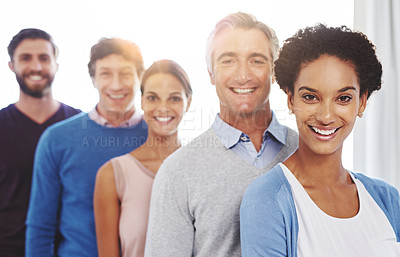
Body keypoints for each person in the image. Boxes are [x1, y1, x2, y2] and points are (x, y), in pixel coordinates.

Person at [144, 12, 298, 257]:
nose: (243, 75)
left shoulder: (306, 151)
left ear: (274, 71)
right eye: (229, 60)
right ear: (210, 73)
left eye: (257, 60)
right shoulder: (178, 171)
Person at [240, 24, 400, 257]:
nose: (326, 116)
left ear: (362, 102)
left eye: (343, 98)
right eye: (310, 97)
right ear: (291, 99)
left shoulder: (387, 200)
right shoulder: (267, 200)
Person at [25, 37, 148, 257]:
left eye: (126, 74)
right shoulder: (56, 139)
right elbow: (40, 227)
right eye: (106, 74)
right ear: (93, 79)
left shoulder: (159, 137)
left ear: (141, 77)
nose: (117, 84)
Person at [94, 59, 192, 257]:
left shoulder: (201, 169)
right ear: (142, 102)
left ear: (187, 102)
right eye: (153, 98)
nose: (163, 108)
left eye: (174, 98)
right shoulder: (112, 175)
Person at [0, 28, 81, 257]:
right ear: (12, 65)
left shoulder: (81, 125)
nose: (36, 67)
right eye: (26, 58)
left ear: (56, 64)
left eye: (44, 58)